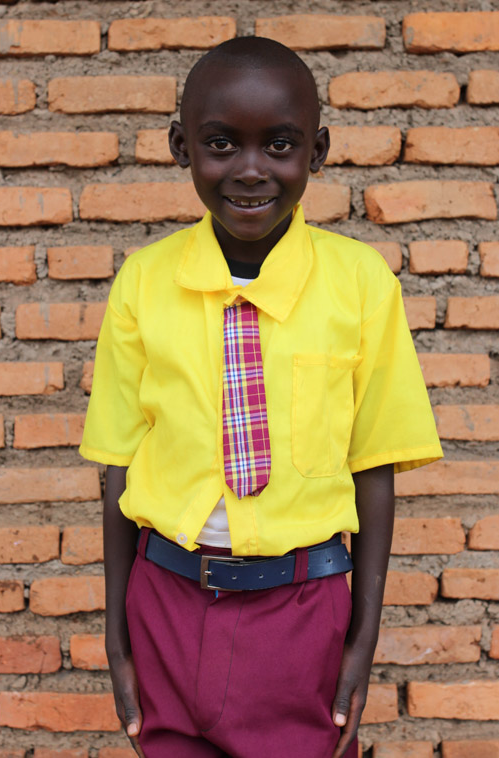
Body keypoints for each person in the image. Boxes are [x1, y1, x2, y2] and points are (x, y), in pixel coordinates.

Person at [79, 36, 443, 758]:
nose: (250, 169)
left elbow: (373, 465)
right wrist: (117, 638)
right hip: (165, 601)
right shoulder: (144, 283)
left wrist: (362, 640)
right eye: (221, 144)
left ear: (318, 150)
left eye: (280, 145)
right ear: (181, 147)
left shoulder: (360, 284)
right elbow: (118, 464)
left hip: (301, 612)